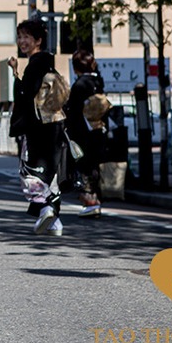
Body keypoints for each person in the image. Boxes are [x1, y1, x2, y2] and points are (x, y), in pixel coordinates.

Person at [8, 18, 65, 236]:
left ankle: (46, 209)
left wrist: (15, 74)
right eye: (20, 37)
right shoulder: (49, 64)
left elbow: (25, 94)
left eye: (26, 37)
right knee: (51, 171)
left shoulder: (35, 64)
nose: (22, 41)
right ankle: (54, 222)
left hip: (37, 126)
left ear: (38, 40)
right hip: (55, 123)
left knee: (32, 170)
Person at [66, 49, 110, 217]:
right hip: (98, 130)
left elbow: (74, 112)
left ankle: (90, 202)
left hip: (82, 132)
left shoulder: (79, 85)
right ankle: (96, 201)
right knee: (94, 167)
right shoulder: (98, 82)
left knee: (84, 167)